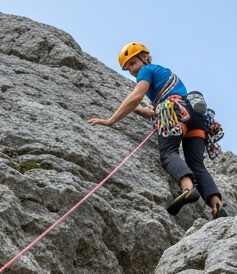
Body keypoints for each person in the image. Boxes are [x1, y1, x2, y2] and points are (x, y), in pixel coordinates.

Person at [89, 41, 228, 219]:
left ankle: (188, 189)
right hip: (195, 117)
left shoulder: (146, 71)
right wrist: (139, 110)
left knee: (168, 153)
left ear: (145, 57)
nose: (132, 69)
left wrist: (111, 120)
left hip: (174, 111)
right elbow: (159, 108)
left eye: (133, 63)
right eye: (128, 68)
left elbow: (137, 95)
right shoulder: (165, 73)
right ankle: (217, 205)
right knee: (196, 164)